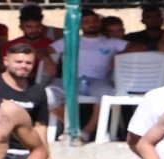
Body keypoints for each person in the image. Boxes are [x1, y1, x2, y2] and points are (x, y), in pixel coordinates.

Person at [42, 9, 127, 144]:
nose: (91, 24)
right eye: (86, 22)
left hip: (99, 80)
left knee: (107, 94)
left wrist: (120, 56)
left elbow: (138, 46)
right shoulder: (70, 40)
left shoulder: (110, 42)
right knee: (48, 95)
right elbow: (43, 50)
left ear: (99, 23)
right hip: (70, 80)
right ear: (80, 25)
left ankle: (87, 131)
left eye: (94, 21)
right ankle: (73, 128)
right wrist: (48, 61)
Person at [0, 42, 56, 159]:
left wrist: (45, 156)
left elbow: (40, 126)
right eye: (18, 61)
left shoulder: (38, 91)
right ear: (6, 61)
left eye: (28, 62)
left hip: (26, 154)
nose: (23, 66)